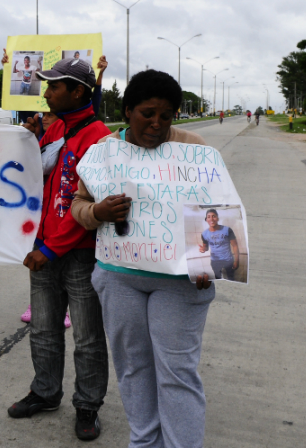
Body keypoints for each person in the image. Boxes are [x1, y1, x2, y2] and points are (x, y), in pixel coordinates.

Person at [71, 69, 214, 448]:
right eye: (147, 113)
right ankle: (144, 442)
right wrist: (98, 212)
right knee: (133, 369)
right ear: (128, 109)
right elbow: (78, 205)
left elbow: (216, 212)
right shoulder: (103, 153)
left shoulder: (194, 148)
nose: (156, 124)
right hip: (120, 278)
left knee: (177, 372)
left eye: (166, 116)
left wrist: (210, 264)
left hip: (179, 283)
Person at [5, 57, 110, 442]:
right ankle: (45, 392)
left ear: (78, 91)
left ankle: (87, 405)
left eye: (54, 87)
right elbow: (38, 183)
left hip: (79, 254)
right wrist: (30, 140)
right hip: (43, 248)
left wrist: (49, 249)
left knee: (87, 338)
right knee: (44, 330)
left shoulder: (99, 137)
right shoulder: (54, 130)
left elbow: (87, 208)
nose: (46, 94)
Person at [197, 209, 239, 280]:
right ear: (206, 219)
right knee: (218, 278)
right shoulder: (204, 234)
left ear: (217, 218)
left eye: (214, 216)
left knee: (231, 278)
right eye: (209, 217)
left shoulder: (227, 230)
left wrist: (236, 261)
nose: (211, 219)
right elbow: (206, 247)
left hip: (228, 260)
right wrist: (203, 249)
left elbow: (235, 245)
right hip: (215, 261)